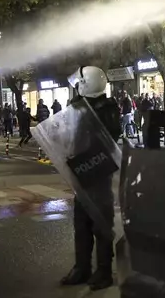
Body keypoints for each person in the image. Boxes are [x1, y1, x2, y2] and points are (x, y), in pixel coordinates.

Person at [60, 66, 121, 291]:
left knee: (101, 223)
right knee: (81, 222)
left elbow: (108, 139)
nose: (77, 86)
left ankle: (104, 270)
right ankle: (82, 267)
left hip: (98, 171)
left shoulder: (107, 109)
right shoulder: (78, 106)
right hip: (81, 172)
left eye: (80, 83)